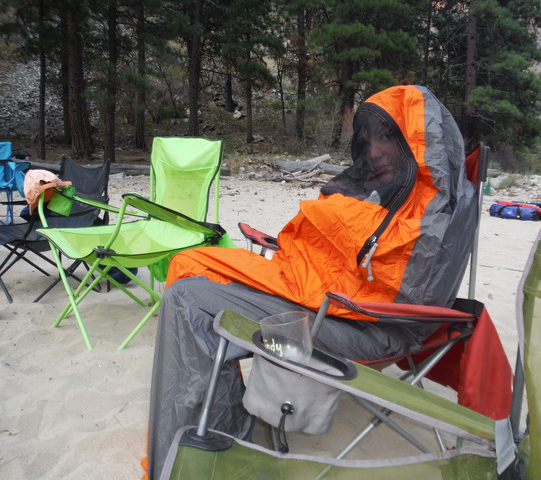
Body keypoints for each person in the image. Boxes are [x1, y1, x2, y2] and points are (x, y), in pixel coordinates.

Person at [147, 85, 477, 479]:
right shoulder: (390, 194)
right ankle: (219, 417)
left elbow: (392, 289)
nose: (372, 150)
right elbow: (350, 257)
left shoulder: (431, 213)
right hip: (331, 302)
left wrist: (326, 237)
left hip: (365, 325)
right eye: (367, 139)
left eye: (385, 138)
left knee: (188, 300)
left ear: (415, 144)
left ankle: (212, 450)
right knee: (192, 262)